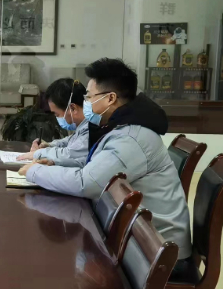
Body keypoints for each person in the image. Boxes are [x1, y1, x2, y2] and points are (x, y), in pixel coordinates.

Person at [19, 58, 192, 260]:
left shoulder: (131, 138)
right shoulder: (119, 127)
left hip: (158, 252)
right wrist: (51, 165)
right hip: (141, 237)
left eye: (89, 97)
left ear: (110, 98)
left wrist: (34, 171)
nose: (86, 102)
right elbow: (92, 170)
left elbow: (87, 183)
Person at [17, 78, 89, 167]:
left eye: (57, 114)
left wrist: (38, 154)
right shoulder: (83, 126)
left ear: (73, 108)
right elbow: (70, 141)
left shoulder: (91, 129)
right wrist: (49, 145)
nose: (56, 117)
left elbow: (69, 154)